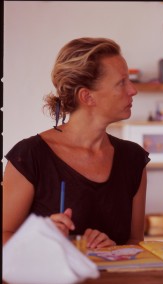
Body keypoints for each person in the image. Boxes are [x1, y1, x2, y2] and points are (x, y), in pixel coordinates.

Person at [3, 37, 150, 248]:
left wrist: (114, 250)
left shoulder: (134, 159)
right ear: (87, 97)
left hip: (115, 282)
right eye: (121, 82)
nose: (133, 90)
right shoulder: (29, 156)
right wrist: (39, 238)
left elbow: (135, 242)